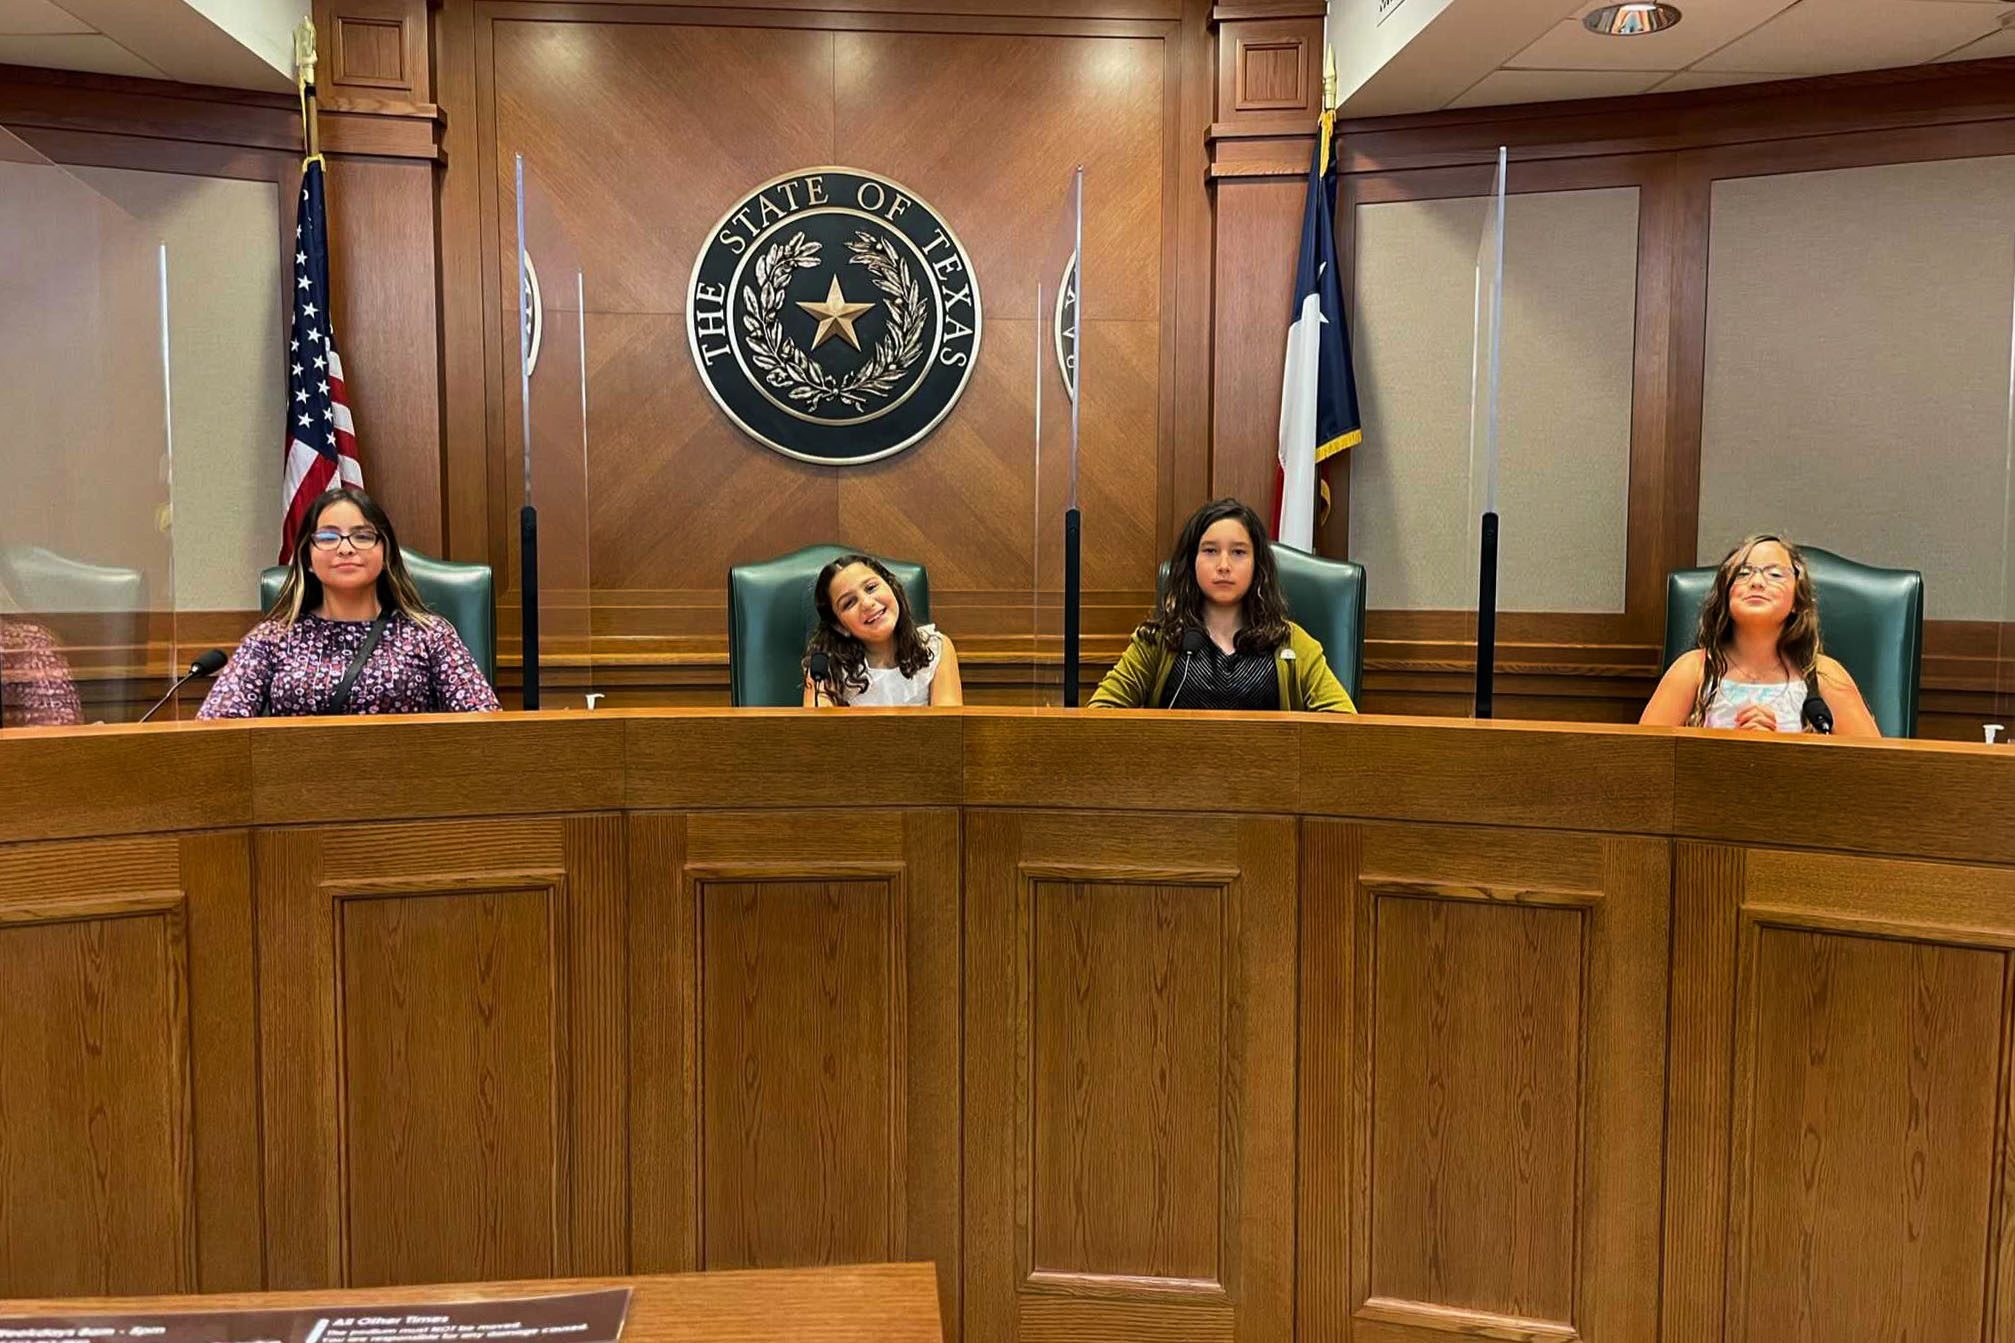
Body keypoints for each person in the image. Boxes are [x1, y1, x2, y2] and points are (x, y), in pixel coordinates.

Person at [198, 486, 500, 718]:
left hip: (407, 790)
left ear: (385, 555)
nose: (345, 549)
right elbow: (217, 729)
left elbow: (483, 721)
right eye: (328, 537)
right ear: (309, 559)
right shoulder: (272, 639)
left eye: (363, 536)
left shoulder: (428, 634)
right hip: (298, 792)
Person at [1090, 497, 1355, 712]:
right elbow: (1100, 713)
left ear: (1257, 565)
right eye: (1210, 551)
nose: (1224, 566)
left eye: (1238, 552)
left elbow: (1342, 724)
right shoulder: (1160, 639)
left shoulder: (1291, 643)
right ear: (1191, 563)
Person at [1640, 533, 1879, 737]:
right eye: (1743, 573)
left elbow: (1874, 768)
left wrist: (1777, 750)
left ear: (1798, 600)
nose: (1756, 582)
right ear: (1725, 594)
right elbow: (1643, 758)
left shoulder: (1824, 676)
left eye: (1775, 574)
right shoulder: (1693, 670)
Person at [802, 553, 963, 706]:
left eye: (871, 588)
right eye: (849, 603)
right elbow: (820, 731)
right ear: (839, 625)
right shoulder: (824, 666)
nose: (867, 603)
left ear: (892, 588)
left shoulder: (935, 648)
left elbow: (949, 727)